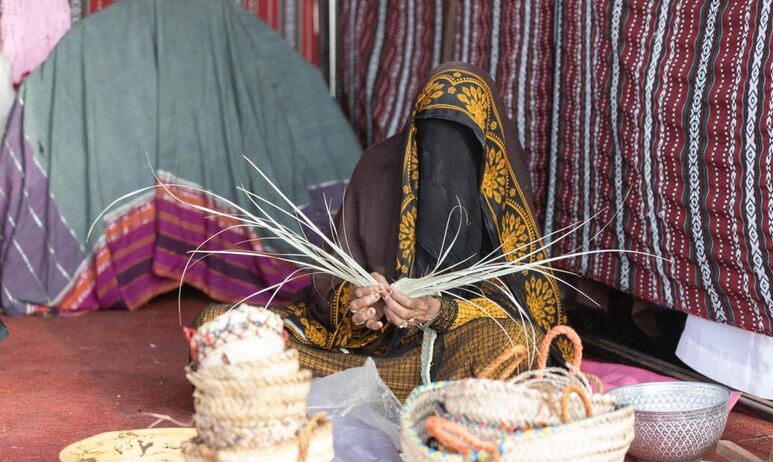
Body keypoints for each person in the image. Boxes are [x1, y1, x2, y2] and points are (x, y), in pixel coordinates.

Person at [195, 64, 569, 399]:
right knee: (218, 325)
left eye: (458, 142)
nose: (443, 161)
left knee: (520, 346)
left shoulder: (499, 187)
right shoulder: (380, 168)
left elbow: (528, 316)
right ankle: (403, 396)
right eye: (432, 137)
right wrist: (357, 302)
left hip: (453, 354)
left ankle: (319, 391)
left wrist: (438, 311)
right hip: (370, 355)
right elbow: (324, 291)